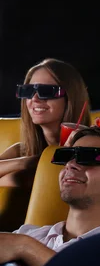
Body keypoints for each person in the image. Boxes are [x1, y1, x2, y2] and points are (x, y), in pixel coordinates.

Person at [0, 127, 100, 266]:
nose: (70, 165)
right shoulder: (28, 233)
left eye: (89, 157)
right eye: (68, 156)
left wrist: (25, 248)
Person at [0, 58, 91, 186]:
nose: (35, 99)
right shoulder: (22, 151)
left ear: (70, 98)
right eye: (28, 91)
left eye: (47, 91)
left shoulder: (91, 147)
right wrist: (28, 162)